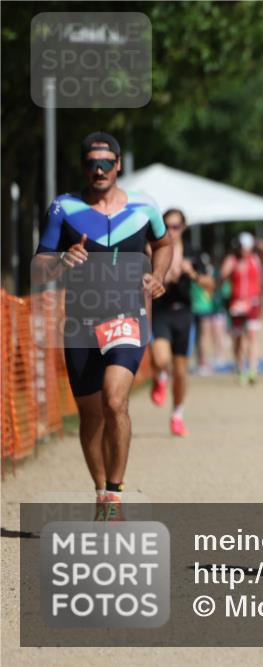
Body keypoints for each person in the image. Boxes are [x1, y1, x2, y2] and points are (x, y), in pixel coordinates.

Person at [31, 131, 171, 520]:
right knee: (90, 416)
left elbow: (164, 244)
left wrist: (159, 274)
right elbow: (40, 268)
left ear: (119, 165)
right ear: (83, 167)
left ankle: (115, 493)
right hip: (79, 323)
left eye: (106, 163)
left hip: (126, 317)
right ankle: (99, 489)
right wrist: (62, 259)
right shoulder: (64, 209)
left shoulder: (145, 206)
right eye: (92, 163)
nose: (99, 169)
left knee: (114, 401)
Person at [148, 209, 214, 436]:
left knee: (181, 373)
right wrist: (160, 278)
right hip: (161, 312)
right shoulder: (155, 251)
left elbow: (210, 285)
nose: (171, 231)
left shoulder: (194, 254)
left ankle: (177, 414)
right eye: (167, 226)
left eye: (176, 226)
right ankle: (160, 377)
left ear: (183, 228)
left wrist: (192, 274)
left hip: (184, 315)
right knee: (160, 357)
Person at [220, 232, 263, 385]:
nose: (244, 251)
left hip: (253, 303)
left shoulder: (255, 259)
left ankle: (253, 369)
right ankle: (240, 367)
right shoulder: (233, 260)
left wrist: (255, 242)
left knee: (252, 336)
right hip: (237, 304)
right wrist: (229, 265)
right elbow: (223, 275)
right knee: (238, 338)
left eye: (246, 247)